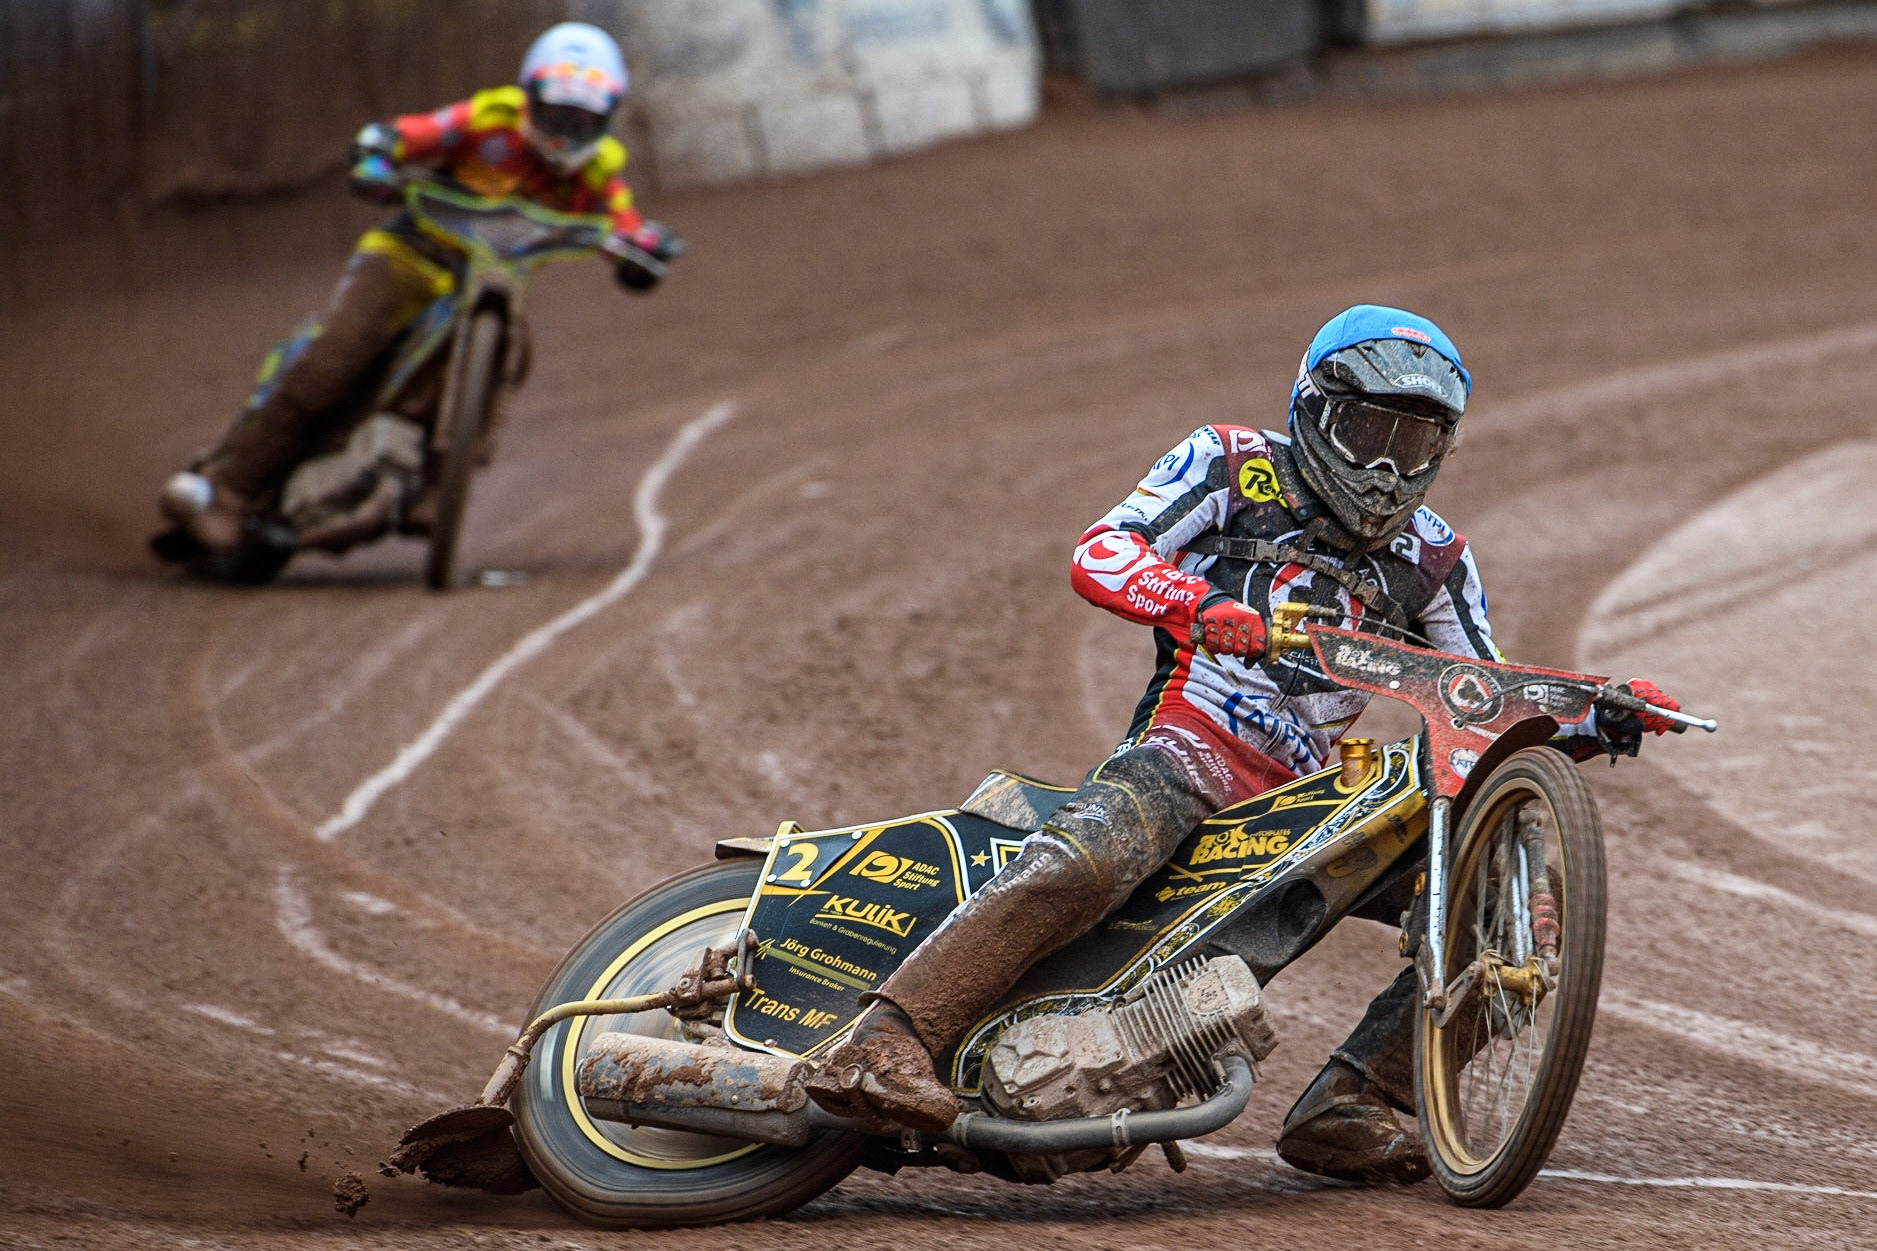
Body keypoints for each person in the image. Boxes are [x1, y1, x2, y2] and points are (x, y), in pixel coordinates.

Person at [805, 304, 1680, 1183]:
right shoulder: (1229, 462)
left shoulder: (1436, 556)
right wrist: (1197, 608)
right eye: (1368, 430)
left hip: (1312, 807)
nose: (1384, 467)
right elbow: (1102, 549)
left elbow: (1481, 700)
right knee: (1086, 856)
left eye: (1412, 446)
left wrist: (1596, 713)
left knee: (1517, 922)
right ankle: (881, 1041)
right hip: (1188, 747)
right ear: (1314, 408)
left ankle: (1358, 1099)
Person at [158, 21, 679, 554]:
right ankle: (230, 494)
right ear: (529, 95)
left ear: (608, 117)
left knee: (514, 349)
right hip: (410, 257)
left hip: (488, 280)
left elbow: (624, 224)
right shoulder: (485, 120)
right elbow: (410, 135)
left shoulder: (598, 171)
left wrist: (644, 250)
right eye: (559, 111)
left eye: (584, 117)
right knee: (336, 356)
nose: (567, 130)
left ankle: (439, 482)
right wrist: (379, 155)